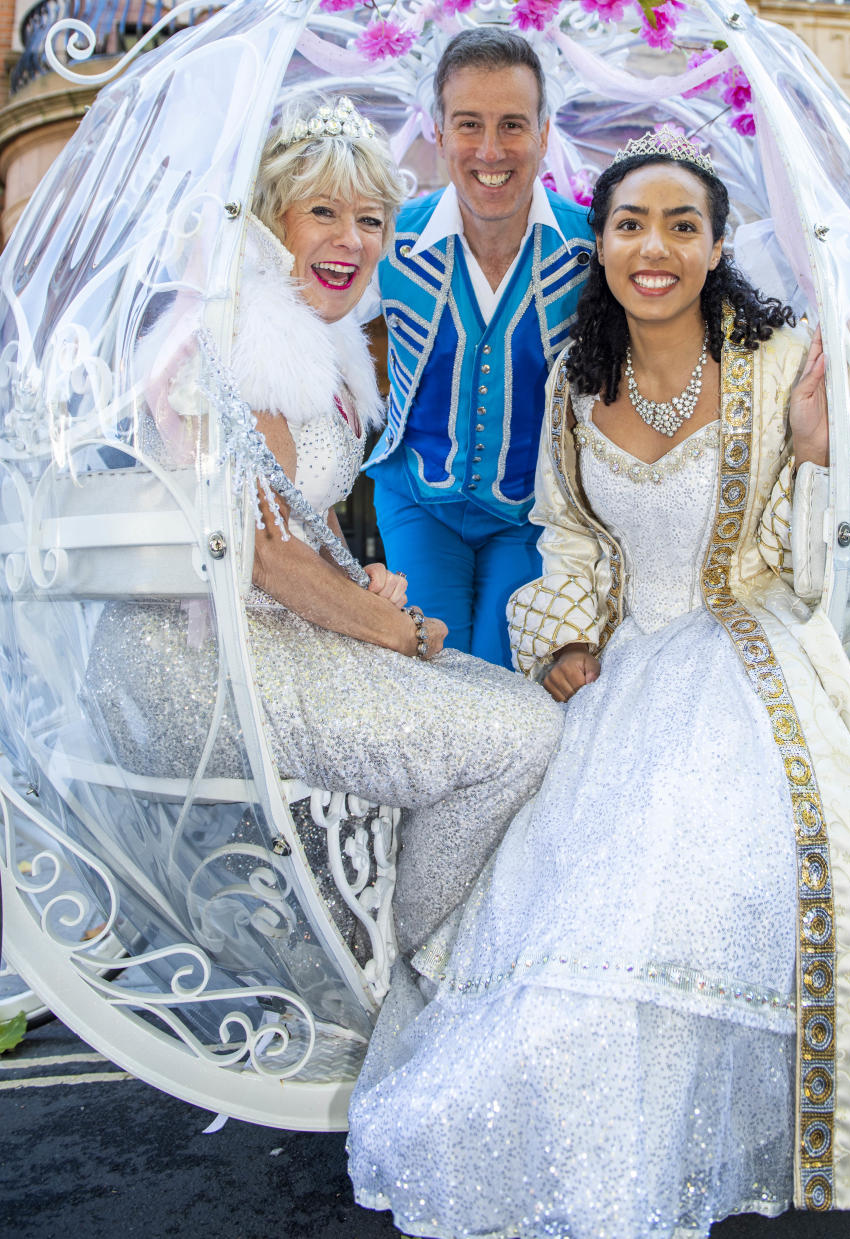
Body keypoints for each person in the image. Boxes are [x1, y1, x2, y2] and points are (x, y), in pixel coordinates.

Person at [347, 128, 850, 1233]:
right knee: (568, 909)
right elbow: (569, 535)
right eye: (631, 223)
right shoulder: (580, 386)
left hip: (754, 657)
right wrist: (563, 639)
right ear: (601, 242)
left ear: (719, 243)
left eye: (683, 224)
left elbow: (807, 567)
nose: (656, 246)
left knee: (676, 896)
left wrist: (817, 448)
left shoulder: (781, 360)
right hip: (630, 669)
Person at [85, 90, 562, 957]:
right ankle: (412, 962)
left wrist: (360, 580)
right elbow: (261, 555)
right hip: (198, 664)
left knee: (509, 697)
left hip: (274, 636)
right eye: (325, 214)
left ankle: (377, 931)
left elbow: (297, 529)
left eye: (372, 220)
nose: (352, 240)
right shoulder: (246, 338)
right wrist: (397, 629)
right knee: (517, 734)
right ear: (273, 222)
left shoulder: (325, 342)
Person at [367, 27, 595, 668]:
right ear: (438, 132)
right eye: (469, 124)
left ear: (544, 135)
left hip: (534, 513)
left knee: (503, 673)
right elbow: (298, 302)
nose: (490, 150)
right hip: (419, 501)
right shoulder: (385, 239)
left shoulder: (593, 248)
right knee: (430, 669)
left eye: (512, 125)